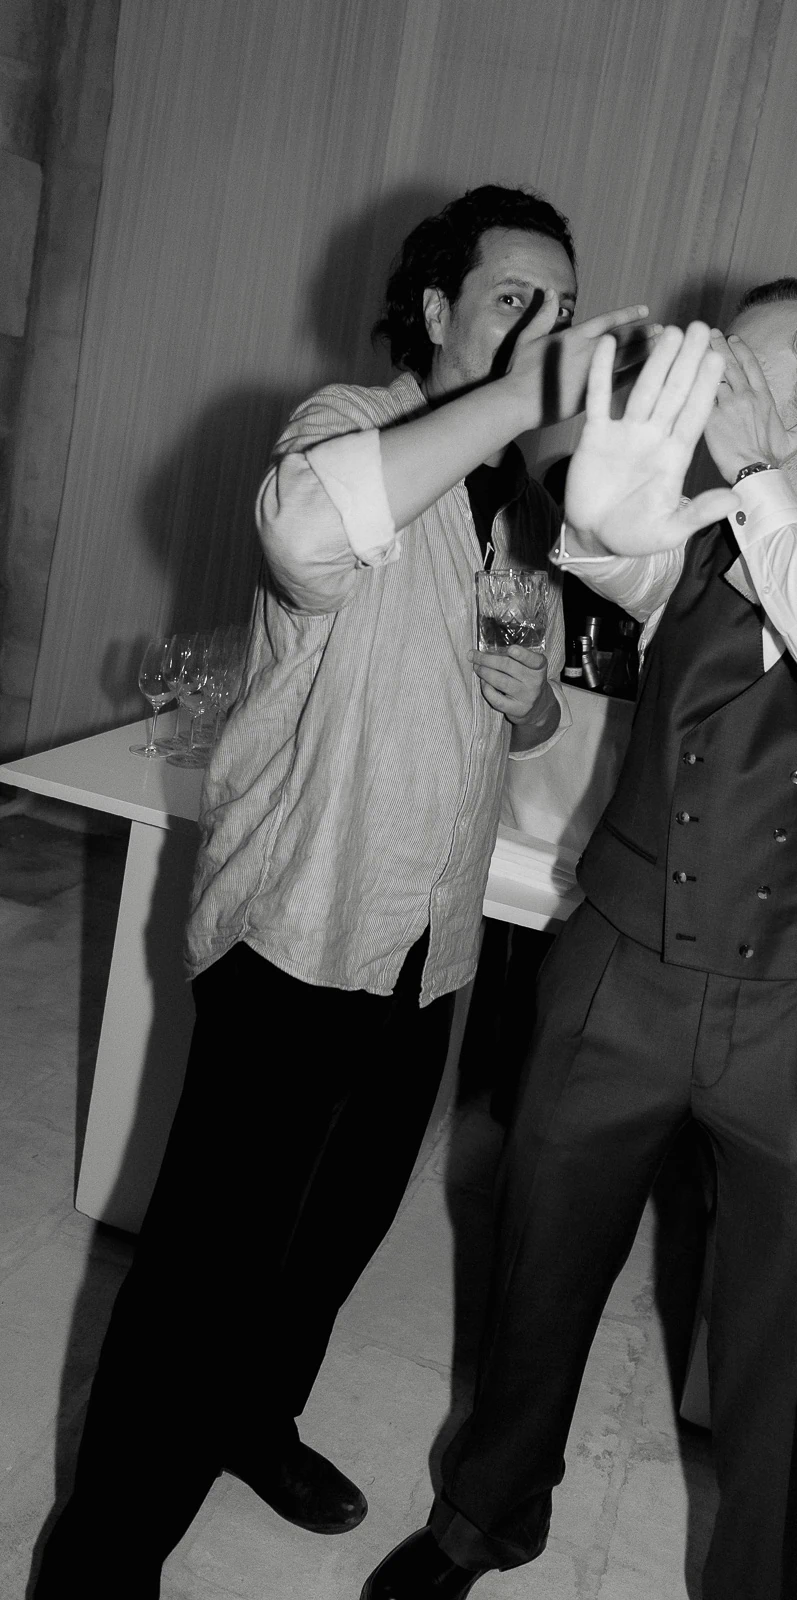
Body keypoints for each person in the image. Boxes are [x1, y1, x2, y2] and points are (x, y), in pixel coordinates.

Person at [34, 185, 654, 1599]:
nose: (543, 330)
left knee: (335, 1235)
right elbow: (309, 540)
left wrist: (533, 712)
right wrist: (523, 401)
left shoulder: (521, 520)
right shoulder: (341, 431)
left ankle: (255, 1423)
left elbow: (515, 715)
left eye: (562, 308)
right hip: (301, 930)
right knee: (203, 1271)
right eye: (515, 300)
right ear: (435, 314)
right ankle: (100, 1563)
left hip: (423, 946)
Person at [362, 283, 797, 1600]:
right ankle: (481, 1520)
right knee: (537, 1264)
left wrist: (753, 486)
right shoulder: (693, 534)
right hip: (624, 971)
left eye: (739, 355)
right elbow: (604, 547)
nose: (704, 373)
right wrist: (601, 502)